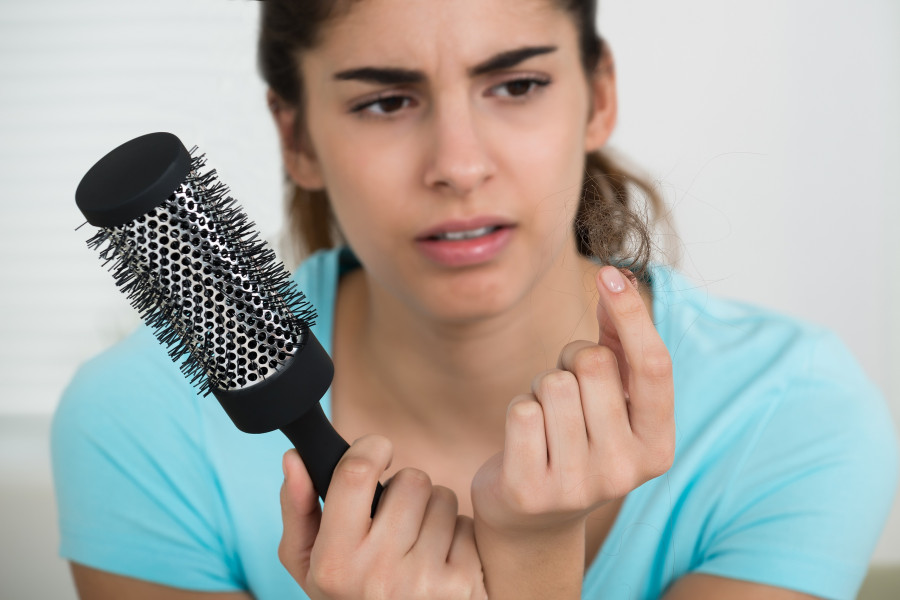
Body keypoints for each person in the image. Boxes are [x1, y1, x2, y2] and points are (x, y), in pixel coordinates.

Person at [51, 0, 898, 599]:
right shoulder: (138, 425)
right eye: (385, 101)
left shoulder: (795, 418)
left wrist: (534, 561)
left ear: (598, 97)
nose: (458, 163)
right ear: (297, 138)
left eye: (516, 85)